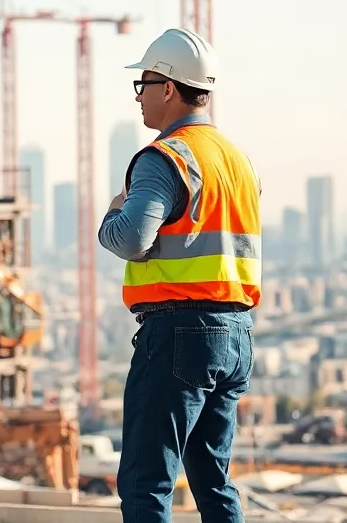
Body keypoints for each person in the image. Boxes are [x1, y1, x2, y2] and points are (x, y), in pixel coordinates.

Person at [98, 28, 261, 523]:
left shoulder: (166, 157)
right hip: (235, 335)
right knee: (214, 482)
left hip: (178, 333)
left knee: (146, 483)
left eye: (142, 85)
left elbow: (130, 238)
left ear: (168, 87)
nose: (139, 98)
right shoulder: (237, 161)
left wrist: (111, 215)